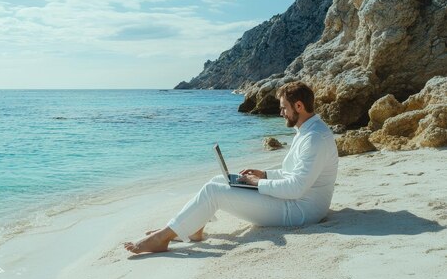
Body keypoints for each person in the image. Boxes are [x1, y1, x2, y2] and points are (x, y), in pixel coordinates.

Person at [124, 81, 339, 254]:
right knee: (218, 181)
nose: (281, 113)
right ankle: (194, 229)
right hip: (295, 202)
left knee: (214, 192)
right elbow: (295, 175)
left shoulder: (314, 138)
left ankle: (162, 238)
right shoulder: (307, 131)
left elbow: (296, 188)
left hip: (302, 211)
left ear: (298, 106)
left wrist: (258, 182)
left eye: (284, 108)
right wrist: (264, 174)